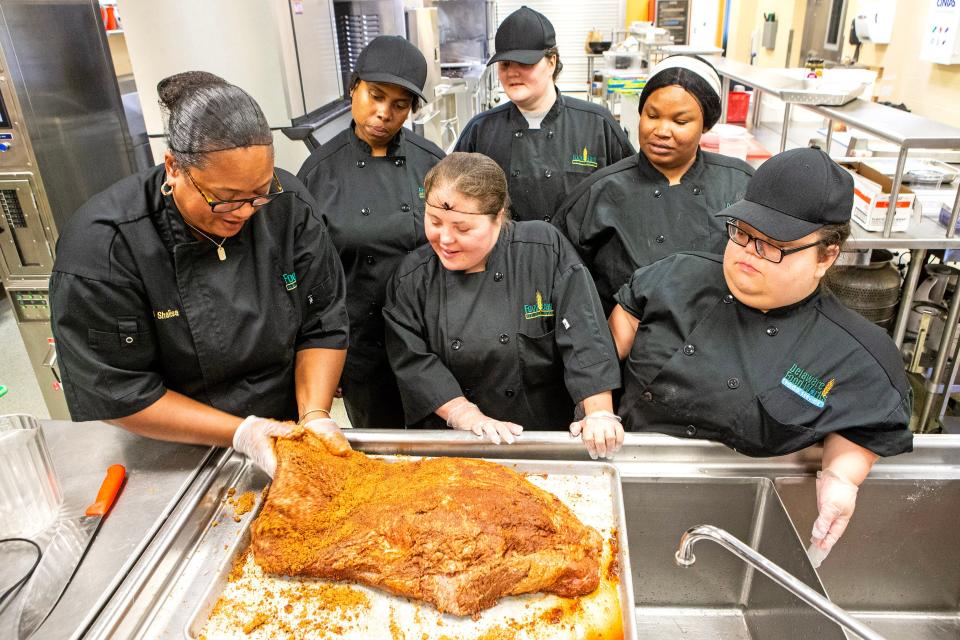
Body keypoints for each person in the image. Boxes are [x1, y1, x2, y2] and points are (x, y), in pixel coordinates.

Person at [608, 147, 913, 558]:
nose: (749, 251)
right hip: (626, 476)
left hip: (734, 519)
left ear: (827, 256)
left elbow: (869, 424)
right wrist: (600, 401)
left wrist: (841, 479)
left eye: (774, 245)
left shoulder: (853, 352)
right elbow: (627, 312)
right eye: (743, 232)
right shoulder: (679, 275)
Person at [50, 71, 351, 477]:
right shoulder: (105, 246)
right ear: (173, 167)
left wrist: (314, 415)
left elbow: (323, 322)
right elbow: (117, 388)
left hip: (283, 428)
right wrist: (242, 433)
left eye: (260, 193)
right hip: (166, 451)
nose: (246, 212)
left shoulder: (288, 206)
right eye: (225, 199)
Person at [383, 152, 623, 458]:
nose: (445, 238)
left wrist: (599, 412)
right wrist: (464, 414)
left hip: (543, 434)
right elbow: (412, 360)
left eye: (463, 228)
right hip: (455, 444)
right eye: (434, 222)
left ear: (498, 216)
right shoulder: (412, 278)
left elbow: (583, 331)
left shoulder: (543, 250)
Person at [298, 36, 444, 429]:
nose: (383, 114)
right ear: (353, 88)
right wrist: (325, 352)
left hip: (430, 340)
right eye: (374, 96)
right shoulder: (318, 172)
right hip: (362, 344)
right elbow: (308, 273)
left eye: (399, 105)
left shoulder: (432, 164)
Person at [554, 55, 754, 314]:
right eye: (652, 115)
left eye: (680, 121)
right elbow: (561, 277)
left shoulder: (740, 184)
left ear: (706, 125)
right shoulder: (600, 191)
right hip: (629, 345)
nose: (661, 130)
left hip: (721, 341)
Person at [454, 6, 633, 224]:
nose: (512, 72)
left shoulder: (597, 125)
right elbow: (454, 202)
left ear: (552, 62)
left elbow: (631, 195)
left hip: (579, 257)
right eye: (505, 64)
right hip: (506, 256)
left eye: (524, 62)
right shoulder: (480, 131)